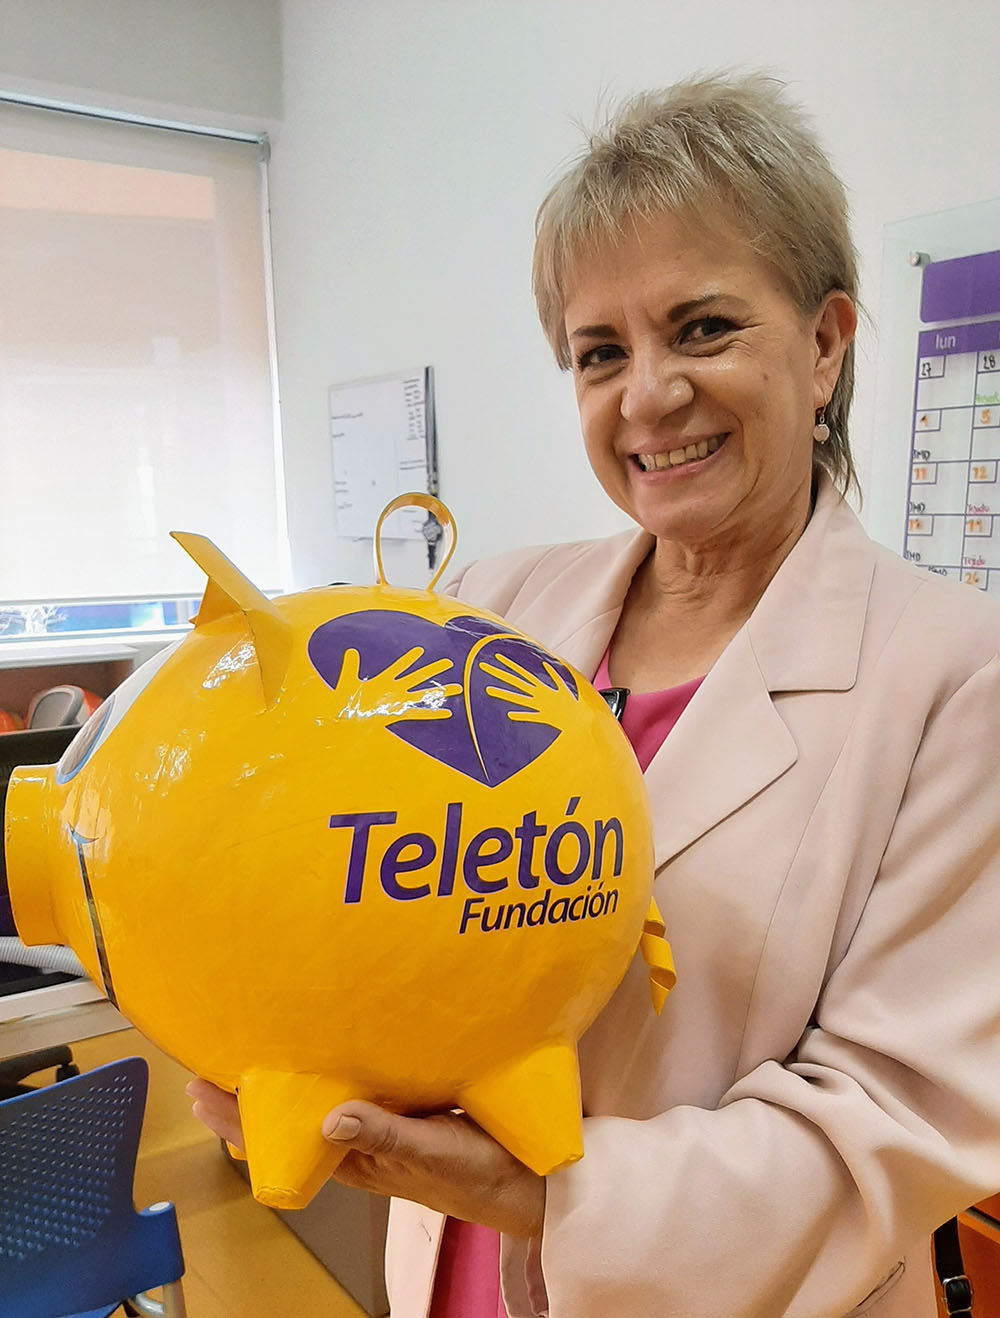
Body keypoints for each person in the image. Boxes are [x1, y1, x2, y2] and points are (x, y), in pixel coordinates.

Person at [189, 73, 1000, 1316]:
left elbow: (895, 1120)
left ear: (825, 343)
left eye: (703, 328)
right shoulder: (492, 610)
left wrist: (540, 1193)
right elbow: (376, 892)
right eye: (600, 353)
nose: (648, 395)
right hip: (447, 1269)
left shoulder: (953, 673)